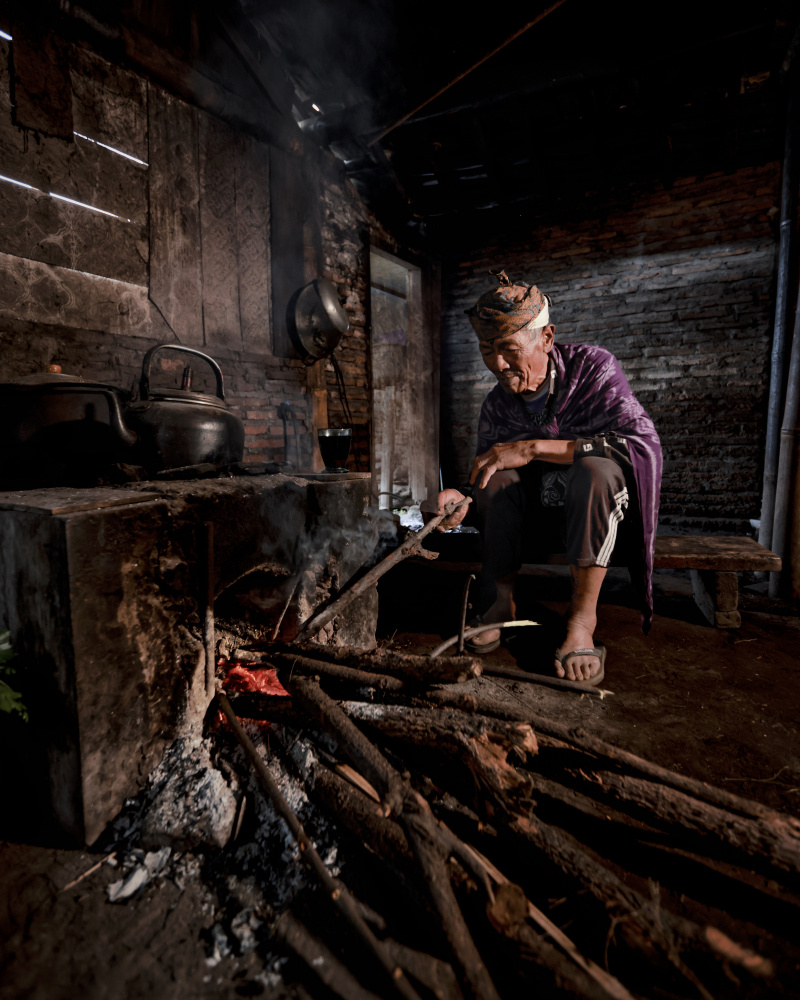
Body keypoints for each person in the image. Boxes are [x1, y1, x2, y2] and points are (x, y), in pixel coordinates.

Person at [432, 270, 662, 685]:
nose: (497, 364)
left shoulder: (592, 369)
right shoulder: (497, 404)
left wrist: (535, 447)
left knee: (596, 469)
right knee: (495, 477)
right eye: (487, 350)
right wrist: (461, 499)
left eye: (508, 349)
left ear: (547, 338)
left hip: (596, 519)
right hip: (533, 525)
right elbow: (485, 475)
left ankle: (581, 620)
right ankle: (502, 602)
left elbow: (636, 445)